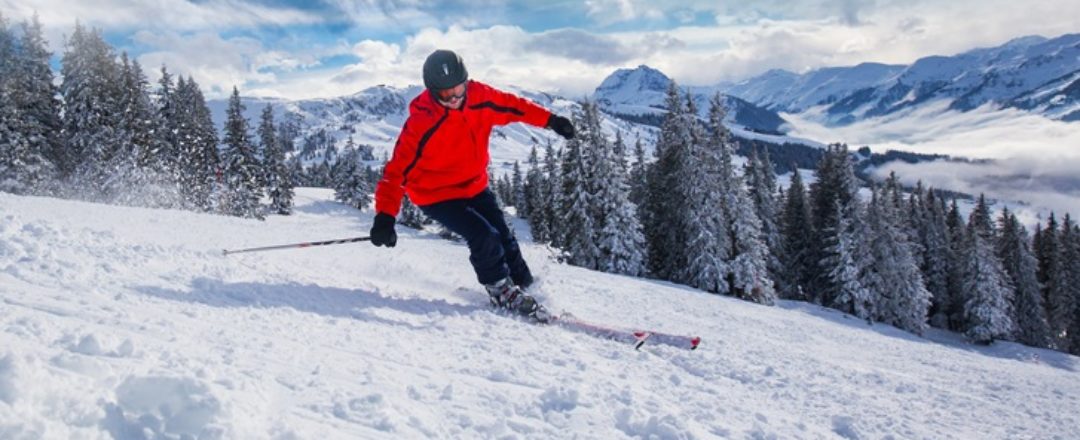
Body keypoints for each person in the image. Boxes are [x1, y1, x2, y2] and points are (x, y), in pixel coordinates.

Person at [369, 49, 575, 321]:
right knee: (483, 235)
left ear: (467, 82)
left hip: (473, 185)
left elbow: (515, 107)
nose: (454, 98)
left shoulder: (480, 98)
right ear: (432, 92)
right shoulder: (421, 123)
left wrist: (550, 121)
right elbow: (395, 173)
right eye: (445, 94)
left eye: (458, 90)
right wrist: (385, 216)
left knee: (505, 236)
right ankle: (500, 289)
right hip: (436, 195)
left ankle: (527, 287)